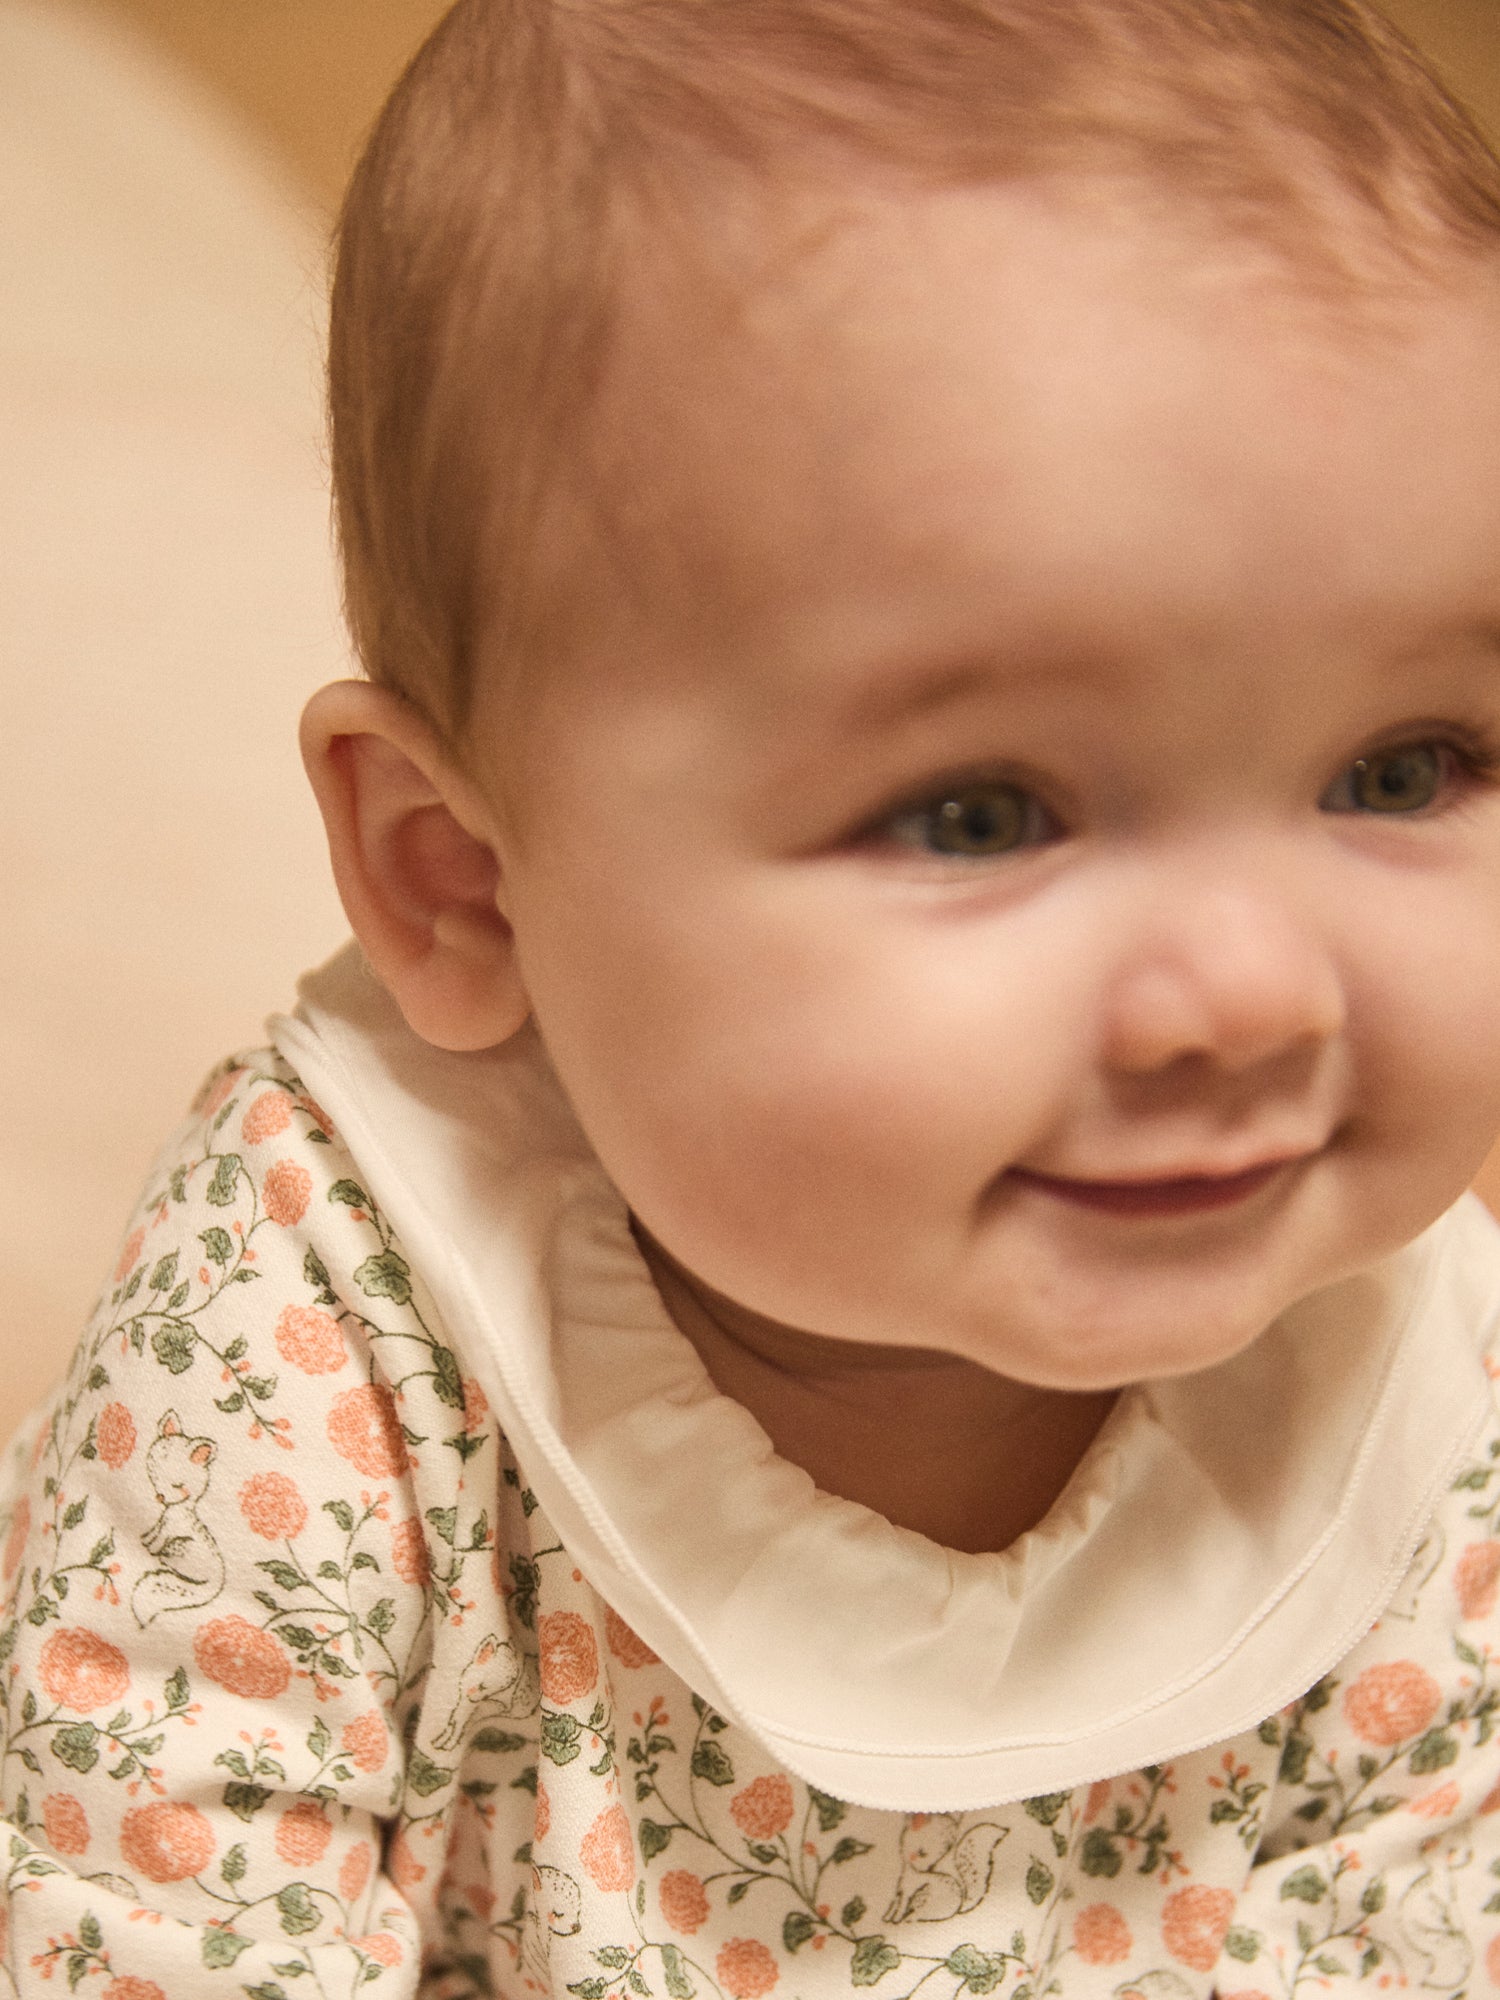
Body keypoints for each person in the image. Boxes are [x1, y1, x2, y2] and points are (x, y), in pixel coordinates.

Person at [6, 0, 1500, 1992]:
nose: (1248, 996)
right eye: (980, 811)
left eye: (1399, 768)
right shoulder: (338, 1302)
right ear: (465, 886)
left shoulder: (1408, 1354)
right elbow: (150, 1917)